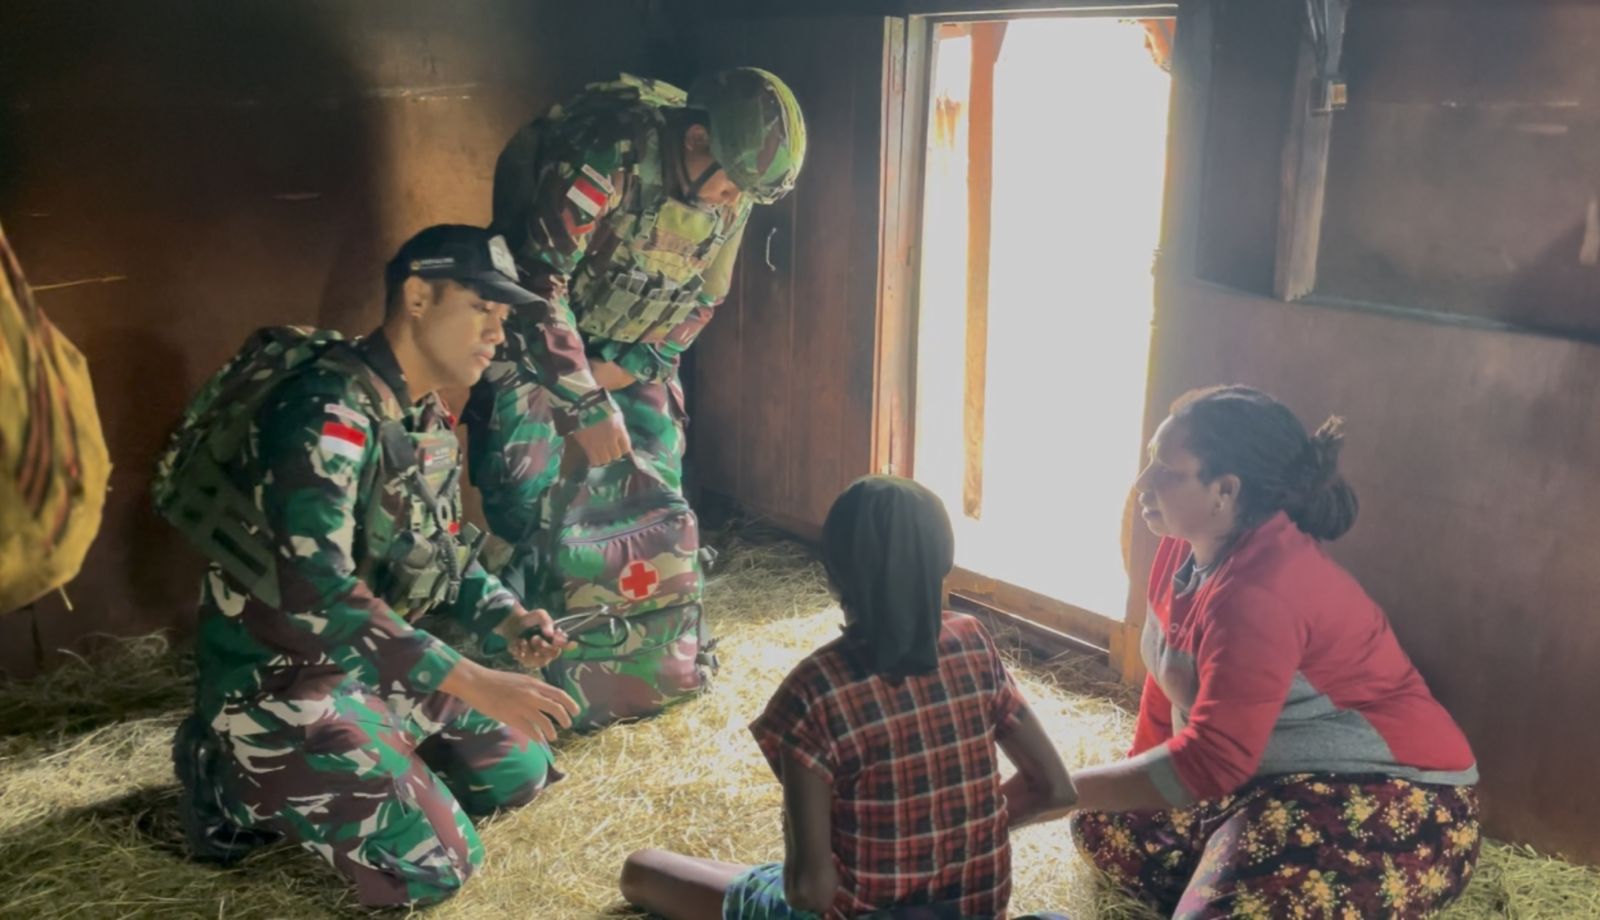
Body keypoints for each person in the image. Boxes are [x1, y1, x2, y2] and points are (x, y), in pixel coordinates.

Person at [168, 225, 580, 908]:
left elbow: (441, 550)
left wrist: (507, 618)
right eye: (481, 308)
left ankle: (373, 758)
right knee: (435, 865)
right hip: (282, 680)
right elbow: (318, 591)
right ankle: (227, 779)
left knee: (520, 771)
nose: (497, 333)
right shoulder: (323, 411)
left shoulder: (419, 413)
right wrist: (471, 678)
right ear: (417, 297)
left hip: (366, 668)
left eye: (504, 318)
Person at [1069, 385, 1481, 919]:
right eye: (1150, 459)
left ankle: (1261, 883)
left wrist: (1057, 788)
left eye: (1166, 471)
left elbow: (1214, 759)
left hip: (1388, 795)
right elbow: (1165, 673)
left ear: (1225, 491)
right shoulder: (1179, 542)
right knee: (1102, 823)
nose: (1143, 482)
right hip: (1257, 785)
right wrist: (1132, 770)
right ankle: (1251, 878)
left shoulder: (1261, 591)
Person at [617, 476, 1078, 919]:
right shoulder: (973, 642)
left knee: (642, 870)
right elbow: (1056, 790)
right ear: (944, 561)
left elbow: (810, 892)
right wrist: (955, 841)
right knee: (751, 878)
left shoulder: (815, 691)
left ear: (832, 575)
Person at [465, 68, 806, 591]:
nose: (733, 200)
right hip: (538, 331)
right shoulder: (606, 157)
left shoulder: (733, 194)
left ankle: (643, 614)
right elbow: (538, 285)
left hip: (632, 345)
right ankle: (536, 607)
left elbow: (705, 299)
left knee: (657, 486)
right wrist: (585, 401)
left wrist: (626, 370)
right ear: (696, 138)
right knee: (521, 492)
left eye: (745, 193)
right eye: (732, 184)